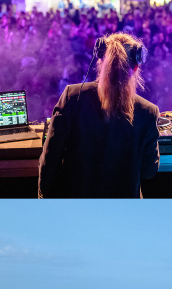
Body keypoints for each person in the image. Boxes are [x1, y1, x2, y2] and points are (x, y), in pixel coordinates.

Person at [37, 33, 160, 198]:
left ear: (100, 62)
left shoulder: (72, 97)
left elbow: (50, 160)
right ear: (136, 67)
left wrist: (44, 197)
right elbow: (148, 171)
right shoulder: (149, 112)